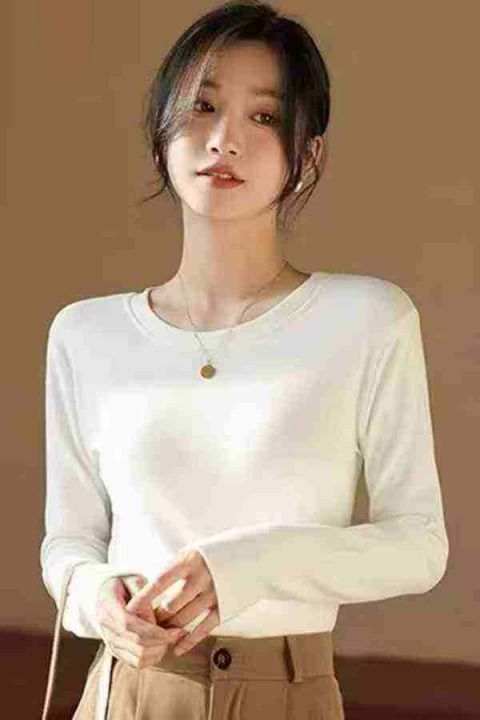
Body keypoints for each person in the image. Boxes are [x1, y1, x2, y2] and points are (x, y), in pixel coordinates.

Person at [40, 1, 449, 719]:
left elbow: (420, 546)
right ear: (161, 132)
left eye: (263, 117)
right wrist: (97, 597)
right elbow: (68, 543)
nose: (224, 140)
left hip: (287, 693)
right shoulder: (85, 334)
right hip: (123, 695)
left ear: (307, 156)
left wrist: (246, 565)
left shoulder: (368, 320)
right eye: (202, 107)